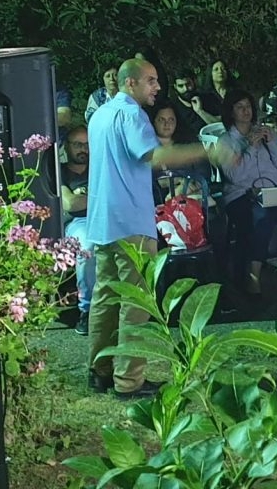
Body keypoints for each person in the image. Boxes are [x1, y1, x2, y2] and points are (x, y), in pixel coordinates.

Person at [86, 58, 225, 399]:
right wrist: (207, 150)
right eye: (150, 80)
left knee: (105, 297)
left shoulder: (99, 115)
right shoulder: (132, 114)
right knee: (136, 302)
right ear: (130, 83)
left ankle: (100, 370)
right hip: (131, 221)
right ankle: (128, 381)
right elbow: (155, 156)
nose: (158, 87)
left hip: (102, 220)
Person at [218, 89, 277, 295]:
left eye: (248, 107)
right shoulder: (226, 141)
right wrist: (250, 147)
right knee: (260, 217)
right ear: (231, 112)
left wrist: (271, 143)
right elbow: (235, 176)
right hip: (243, 194)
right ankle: (253, 276)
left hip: (276, 190)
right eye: (240, 107)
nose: (246, 111)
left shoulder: (266, 132)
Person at [61, 127, 93, 336]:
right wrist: (101, 197)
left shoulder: (100, 167)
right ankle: (87, 310)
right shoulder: (60, 171)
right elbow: (70, 203)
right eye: (78, 144)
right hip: (78, 222)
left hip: (107, 219)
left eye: (87, 144)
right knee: (87, 248)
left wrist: (84, 198)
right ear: (66, 147)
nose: (84, 149)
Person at [171, 70, 217, 143]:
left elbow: (220, 125)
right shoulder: (171, 108)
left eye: (188, 84)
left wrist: (200, 111)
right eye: (181, 86)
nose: (185, 89)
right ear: (175, 87)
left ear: (194, 82)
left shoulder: (208, 98)